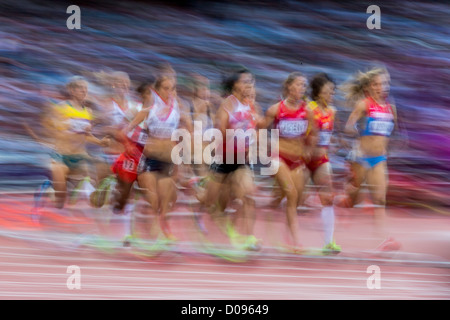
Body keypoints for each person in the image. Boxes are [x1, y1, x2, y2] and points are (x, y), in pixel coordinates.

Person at [125, 64, 192, 242]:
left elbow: (190, 129)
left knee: (167, 200)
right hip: (150, 159)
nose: (169, 92)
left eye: (172, 88)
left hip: (169, 161)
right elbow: (128, 130)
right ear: (156, 89)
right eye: (165, 88)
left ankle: (163, 228)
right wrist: (142, 141)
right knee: (152, 197)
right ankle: (139, 230)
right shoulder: (148, 110)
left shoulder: (178, 109)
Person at [341, 67, 401, 251]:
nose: (382, 87)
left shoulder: (391, 108)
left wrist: (391, 146)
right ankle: (343, 201)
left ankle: (383, 238)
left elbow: (392, 133)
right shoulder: (364, 104)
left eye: (385, 83)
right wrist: (353, 130)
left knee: (380, 199)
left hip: (379, 159)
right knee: (355, 199)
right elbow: (349, 125)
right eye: (377, 84)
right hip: (361, 158)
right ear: (369, 87)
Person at [261, 72, 316, 253]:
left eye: (304, 86)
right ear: (289, 86)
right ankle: (296, 241)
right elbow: (260, 127)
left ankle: (285, 234)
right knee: (291, 194)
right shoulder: (276, 109)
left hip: (297, 161)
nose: (302, 88)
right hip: (279, 158)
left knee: (295, 200)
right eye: (299, 84)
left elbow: (313, 134)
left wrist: (308, 150)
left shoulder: (307, 111)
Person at [42, 76, 109, 209]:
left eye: (85, 89)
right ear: (72, 91)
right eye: (80, 88)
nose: (84, 91)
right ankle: (50, 190)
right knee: (60, 202)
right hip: (61, 156)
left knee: (91, 177)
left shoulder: (88, 112)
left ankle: (94, 193)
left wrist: (100, 142)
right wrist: (69, 128)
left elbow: (86, 136)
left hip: (80, 156)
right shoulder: (61, 108)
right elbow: (55, 133)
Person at [305, 73, 341, 253]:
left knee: (328, 198)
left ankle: (329, 242)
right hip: (303, 160)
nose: (331, 95)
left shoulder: (332, 112)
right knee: (295, 199)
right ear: (318, 93)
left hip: (321, 161)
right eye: (328, 92)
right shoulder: (309, 109)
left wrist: (333, 144)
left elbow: (330, 135)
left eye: (333, 92)